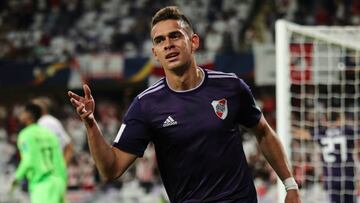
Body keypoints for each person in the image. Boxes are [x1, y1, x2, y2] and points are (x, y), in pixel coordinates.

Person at [68, 6, 301, 203]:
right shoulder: (146, 105)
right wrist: (90, 124)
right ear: (155, 53)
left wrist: (290, 185)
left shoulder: (230, 87)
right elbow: (112, 169)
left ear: (194, 41)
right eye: (160, 41)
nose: (168, 44)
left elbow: (263, 132)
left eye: (175, 36)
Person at [12, 103, 67, 203]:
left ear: (27, 115)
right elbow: (59, 160)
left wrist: (16, 178)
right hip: (58, 183)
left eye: (22, 113)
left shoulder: (25, 135)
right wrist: (62, 183)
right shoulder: (49, 134)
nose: (20, 116)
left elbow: (28, 160)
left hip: (42, 185)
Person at [313, 111, 358, 203]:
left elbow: (305, 134)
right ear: (339, 119)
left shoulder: (321, 133)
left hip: (331, 178)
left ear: (325, 120)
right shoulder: (347, 131)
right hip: (347, 177)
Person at [32, 96, 74, 165]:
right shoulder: (42, 122)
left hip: (51, 170)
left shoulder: (47, 121)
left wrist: (61, 167)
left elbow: (69, 147)